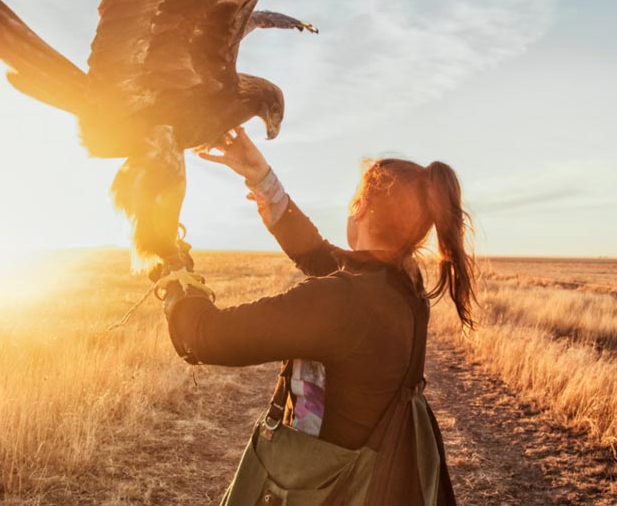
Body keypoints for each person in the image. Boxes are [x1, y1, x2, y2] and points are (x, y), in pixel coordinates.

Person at [163, 126, 476, 505]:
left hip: (329, 492)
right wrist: (262, 178)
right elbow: (318, 256)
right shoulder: (401, 286)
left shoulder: (342, 302)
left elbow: (203, 337)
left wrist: (170, 267)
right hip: (381, 484)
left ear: (358, 209)